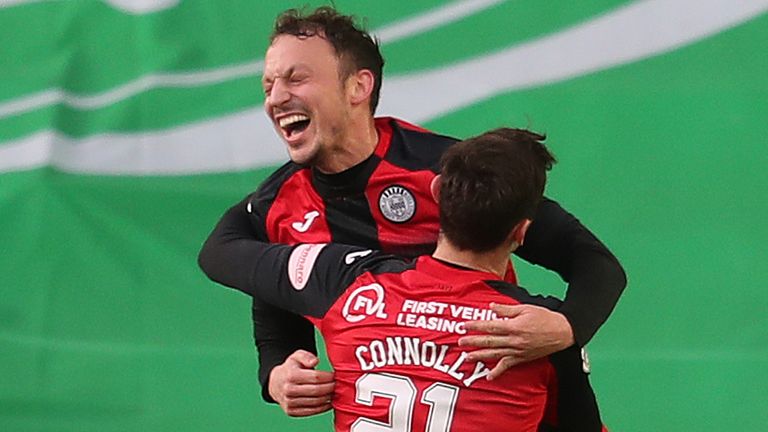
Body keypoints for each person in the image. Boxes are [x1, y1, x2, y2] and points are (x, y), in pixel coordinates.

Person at [198, 6, 626, 417]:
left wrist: (568, 326)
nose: (276, 97)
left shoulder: (445, 171)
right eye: (268, 84)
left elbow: (594, 262)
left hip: (500, 402)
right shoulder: (278, 205)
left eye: (296, 78)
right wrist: (276, 372)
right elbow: (248, 271)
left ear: (358, 87)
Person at [216, 128, 606, 431]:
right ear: (522, 232)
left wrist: (275, 370)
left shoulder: (343, 282)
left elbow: (231, 251)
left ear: (435, 194)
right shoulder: (538, 331)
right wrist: (568, 329)